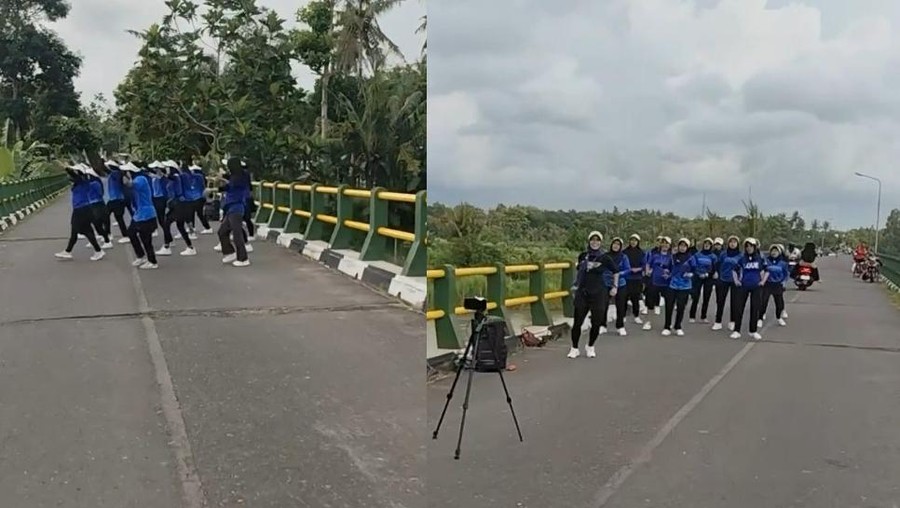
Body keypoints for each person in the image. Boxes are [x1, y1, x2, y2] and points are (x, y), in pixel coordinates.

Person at [568, 231, 615, 358]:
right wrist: (576, 285)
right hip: (583, 292)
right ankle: (574, 348)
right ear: (589, 241)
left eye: (597, 240)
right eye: (592, 240)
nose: (595, 242)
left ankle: (590, 346)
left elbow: (615, 271)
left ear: (600, 242)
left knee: (596, 322)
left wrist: (614, 287)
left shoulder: (605, 257)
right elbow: (580, 272)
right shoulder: (583, 256)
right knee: (577, 322)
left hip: (599, 293)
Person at [55, 165, 107, 261]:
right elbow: (73, 177)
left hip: (81, 209)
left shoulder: (81, 180)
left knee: (82, 231)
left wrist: (66, 168)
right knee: (81, 231)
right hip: (83, 209)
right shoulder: (81, 182)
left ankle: (98, 250)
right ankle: (68, 251)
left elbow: (74, 175)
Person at [121, 163, 159, 269]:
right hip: (140, 213)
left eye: (127, 171)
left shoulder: (140, 179)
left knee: (146, 239)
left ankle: (152, 261)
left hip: (146, 213)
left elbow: (130, 184)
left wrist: (126, 180)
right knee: (131, 233)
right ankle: (141, 256)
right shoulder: (138, 179)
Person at [730, 238, 768, 340]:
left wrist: (763, 281)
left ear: (754, 247)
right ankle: (737, 330)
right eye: (747, 246)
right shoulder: (742, 259)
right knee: (739, 308)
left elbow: (766, 270)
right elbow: (734, 270)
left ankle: (753, 331)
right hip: (743, 286)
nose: (749, 248)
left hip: (756, 287)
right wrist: (736, 281)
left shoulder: (760, 258)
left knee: (755, 308)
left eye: (751, 246)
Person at [217, 157, 251, 267]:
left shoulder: (239, 178)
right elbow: (228, 186)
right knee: (222, 232)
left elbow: (231, 184)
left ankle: (243, 258)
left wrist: (223, 177)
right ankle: (229, 252)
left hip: (236, 208)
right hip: (231, 208)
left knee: (237, 234)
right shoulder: (237, 176)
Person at [661, 238, 694, 336]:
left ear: (687, 247)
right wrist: (666, 272)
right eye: (681, 245)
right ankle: (667, 326)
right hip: (672, 285)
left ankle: (678, 326)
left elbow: (695, 269)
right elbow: (667, 268)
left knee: (680, 307)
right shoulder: (673, 257)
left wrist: (690, 274)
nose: (682, 247)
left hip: (685, 286)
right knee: (669, 306)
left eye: (684, 246)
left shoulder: (691, 258)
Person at [164, 161, 198, 256]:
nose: (166, 169)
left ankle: (167, 245)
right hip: (177, 204)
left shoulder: (176, 176)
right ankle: (190, 247)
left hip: (179, 204)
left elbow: (172, 178)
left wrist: (162, 174)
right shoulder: (175, 177)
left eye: (167, 167)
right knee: (180, 226)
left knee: (167, 222)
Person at [600, 237, 631, 336]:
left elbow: (628, 269)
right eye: (614, 243)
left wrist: (619, 273)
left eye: (618, 244)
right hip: (606, 282)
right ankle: (602, 325)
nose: (616, 246)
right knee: (603, 304)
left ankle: (620, 326)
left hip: (620, 283)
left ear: (620, 246)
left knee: (621, 305)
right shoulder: (605, 256)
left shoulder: (623, 257)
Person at [641, 236, 672, 331]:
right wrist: (647, 271)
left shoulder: (671, 257)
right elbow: (648, 264)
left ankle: (668, 324)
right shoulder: (655, 255)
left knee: (669, 304)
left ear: (669, 245)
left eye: (667, 243)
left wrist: (669, 274)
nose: (665, 245)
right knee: (650, 303)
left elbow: (674, 269)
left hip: (666, 284)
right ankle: (648, 322)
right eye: (663, 243)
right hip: (654, 282)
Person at [713, 235, 742, 331]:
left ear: (737, 244)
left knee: (735, 302)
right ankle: (718, 321)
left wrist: (740, 278)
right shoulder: (723, 254)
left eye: (734, 242)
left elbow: (742, 268)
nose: (732, 244)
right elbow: (717, 264)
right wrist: (716, 273)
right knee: (720, 301)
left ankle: (732, 321)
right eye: (731, 242)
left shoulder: (741, 255)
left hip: (735, 281)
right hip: (723, 279)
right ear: (728, 243)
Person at [83, 164, 113, 249]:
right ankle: (99, 238)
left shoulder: (95, 183)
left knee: (97, 223)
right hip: (92, 204)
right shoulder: (89, 183)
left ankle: (106, 239)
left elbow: (100, 193)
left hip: (97, 204)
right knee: (95, 223)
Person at [759, 244, 789, 328]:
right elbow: (762, 270)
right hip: (768, 284)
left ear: (779, 252)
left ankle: (779, 317)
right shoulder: (766, 261)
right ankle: (760, 318)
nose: (774, 252)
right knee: (763, 301)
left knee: (779, 303)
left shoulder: (783, 263)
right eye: (772, 251)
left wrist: (784, 282)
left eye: (776, 251)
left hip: (778, 285)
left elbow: (786, 274)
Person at [104, 160, 133, 244]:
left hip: (116, 199)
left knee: (118, 218)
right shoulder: (118, 173)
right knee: (108, 217)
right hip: (114, 199)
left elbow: (104, 169)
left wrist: (102, 159)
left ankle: (124, 235)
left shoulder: (115, 174)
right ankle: (108, 233)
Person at [688, 237, 717, 323]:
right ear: (703, 244)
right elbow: (693, 266)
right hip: (698, 277)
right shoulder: (697, 255)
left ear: (711, 245)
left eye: (709, 243)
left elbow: (714, 268)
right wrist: (698, 274)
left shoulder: (713, 256)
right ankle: (692, 316)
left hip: (708, 278)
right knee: (695, 296)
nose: (707, 245)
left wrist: (708, 274)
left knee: (706, 297)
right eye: (705, 243)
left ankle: (703, 316)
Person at [623, 234, 645, 324]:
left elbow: (645, 264)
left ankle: (636, 316)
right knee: (623, 298)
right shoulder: (624, 252)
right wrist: (628, 269)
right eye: (632, 240)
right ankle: (622, 316)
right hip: (626, 277)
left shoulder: (641, 252)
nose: (633, 242)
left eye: (635, 240)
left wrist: (638, 269)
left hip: (637, 278)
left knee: (635, 298)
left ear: (638, 242)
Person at [188, 163, 214, 235]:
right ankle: (193, 226)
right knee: (192, 212)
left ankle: (207, 227)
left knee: (199, 214)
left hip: (198, 197)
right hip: (197, 197)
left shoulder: (198, 177)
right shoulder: (201, 177)